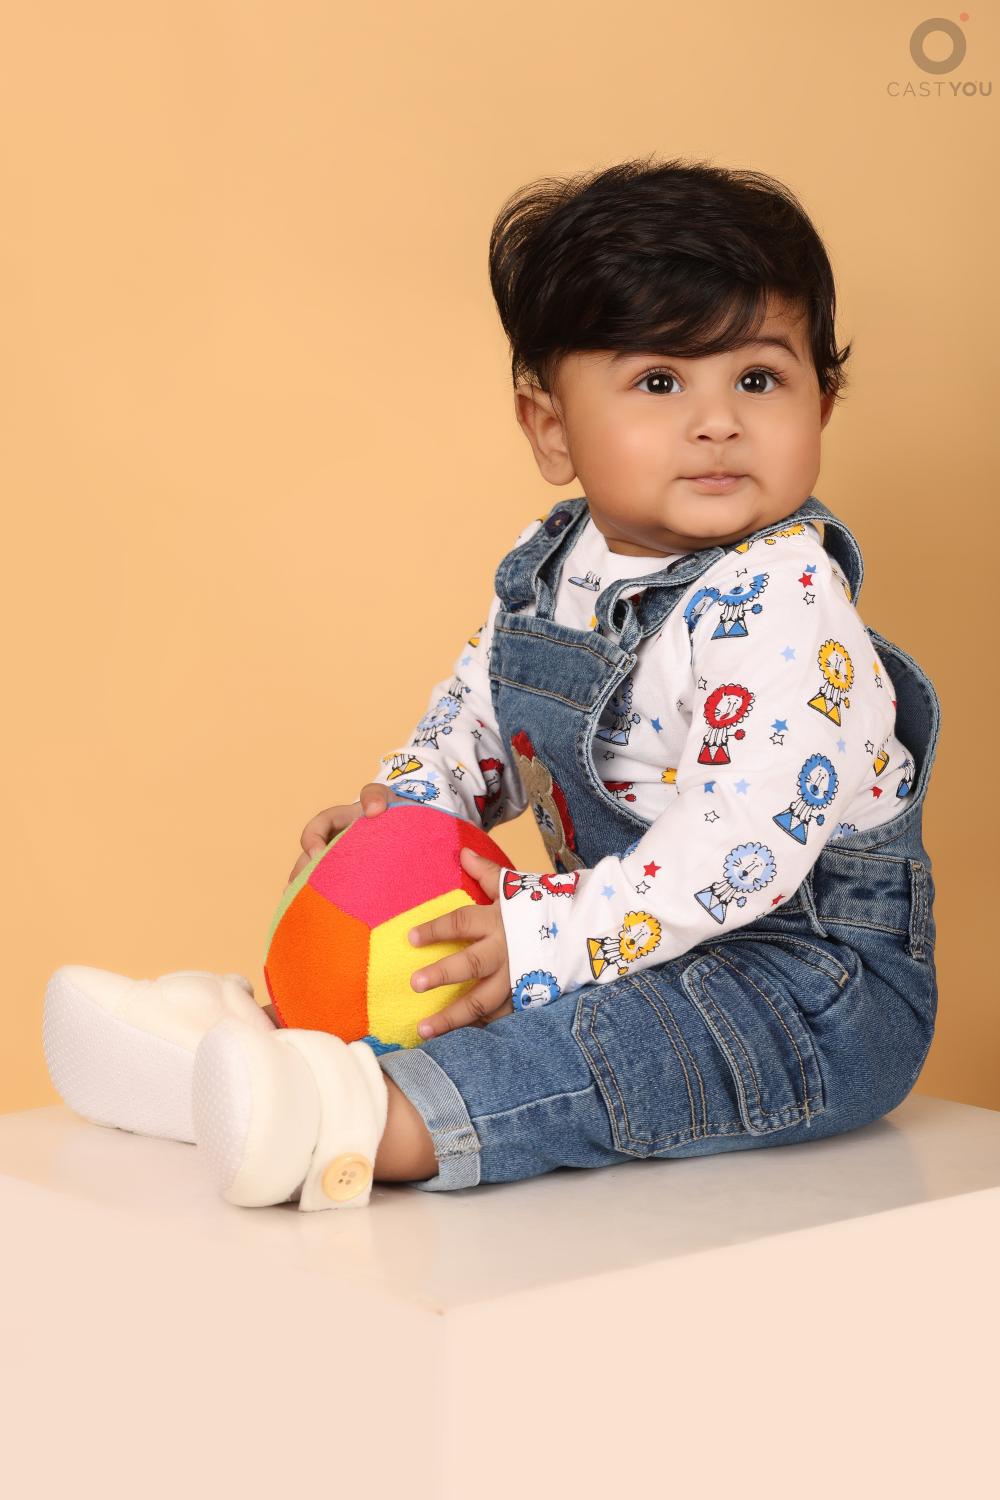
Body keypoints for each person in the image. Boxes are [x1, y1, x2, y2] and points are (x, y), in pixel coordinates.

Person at [42, 155, 941, 1212]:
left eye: (758, 379)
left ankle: (347, 1118)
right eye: (660, 382)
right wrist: (405, 809)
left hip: (802, 989)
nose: (717, 421)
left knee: (590, 1061)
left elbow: (742, 845)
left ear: (820, 404)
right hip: (622, 941)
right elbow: (479, 718)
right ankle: (241, 1044)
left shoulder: (786, 595)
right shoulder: (552, 566)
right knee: (446, 972)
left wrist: (549, 933)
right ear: (551, 427)